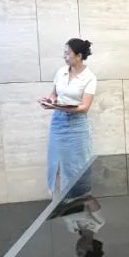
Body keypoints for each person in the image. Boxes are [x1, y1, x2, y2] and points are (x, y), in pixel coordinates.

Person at [39, 38, 103, 228]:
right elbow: (54, 94)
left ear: (79, 56)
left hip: (77, 126)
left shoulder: (89, 77)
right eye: (64, 52)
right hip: (58, 123)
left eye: (67, 53)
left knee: (77, 169)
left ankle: (90, 214)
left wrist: (58, 107)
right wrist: (50, 101)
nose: (64, 56)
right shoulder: (61, 72)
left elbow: (84, 107)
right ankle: (61, 206)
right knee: (56, 165)